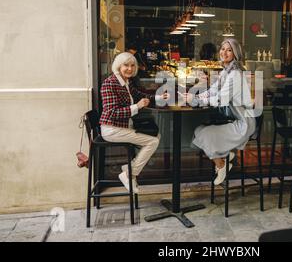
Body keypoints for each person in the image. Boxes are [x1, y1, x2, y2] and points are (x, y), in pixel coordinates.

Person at [184, 39, 257, 185]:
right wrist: (195, 97)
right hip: (233, 120)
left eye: (229, 50)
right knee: (199, 130)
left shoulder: (235, 74)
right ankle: (225, 156)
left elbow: (220, 100)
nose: (224, 52)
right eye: (222, 49)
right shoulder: (226, 71)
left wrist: (196, 100)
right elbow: (212, 91)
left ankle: (221, 164)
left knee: (204, 133)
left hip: (243, 124)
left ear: (235, 54)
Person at [99, 52, 169, 193]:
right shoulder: (110, 83)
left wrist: (158, 96)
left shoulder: (125, 82)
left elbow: (139, 94)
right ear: (118, 66)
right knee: (152, 142)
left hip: (123, 127)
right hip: (112, 129)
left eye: (132, 65)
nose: (129, 69)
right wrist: (137, 106)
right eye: (126, 65)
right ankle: (129, 174)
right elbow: (112, 113)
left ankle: (129, 169)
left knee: (156, 136)